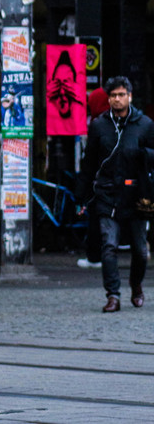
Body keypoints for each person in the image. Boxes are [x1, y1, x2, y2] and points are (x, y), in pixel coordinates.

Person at [75, 76, 152, 312]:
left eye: (121, 95)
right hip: (107, 194)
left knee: (140, 250)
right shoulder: (99, 125)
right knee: (108, 245)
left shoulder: (145, 124)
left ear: (130, 96)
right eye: (113, 96)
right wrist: (81, 197)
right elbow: (89, 163)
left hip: (136, 195)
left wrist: (144, 154)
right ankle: (113, 295)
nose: (117, 100)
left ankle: (136, 285)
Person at [77, 87, 110, 269]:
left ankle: (95, 256)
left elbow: (90, 160)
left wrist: (82, 189)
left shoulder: (98, 125)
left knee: (97, 218)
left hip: (102, 180)